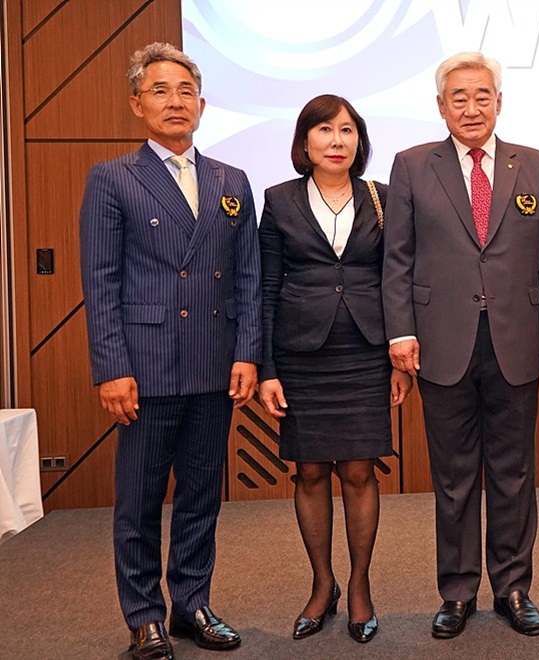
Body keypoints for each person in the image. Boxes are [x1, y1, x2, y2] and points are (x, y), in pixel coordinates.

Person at [381, 51, 539, 638]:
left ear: (499, 102)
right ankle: (458, 591)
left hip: (517, 342)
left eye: (482, 96)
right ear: (441, 106)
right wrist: (400, 331)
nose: (471, 107)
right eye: (458, 98)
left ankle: (514, 587)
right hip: (440, 344)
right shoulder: (413, 166)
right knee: (454, 476)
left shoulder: (535, 165)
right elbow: (397, 258)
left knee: (515, 474)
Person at [79, 43, 260, 660]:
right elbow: (99, 282)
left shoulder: (231, 181)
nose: (174, 101)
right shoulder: (111, 179)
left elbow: (247, 278)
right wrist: (112, 368)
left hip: (214, 364)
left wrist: (247, 353)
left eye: (185, 91)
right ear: (136, 104)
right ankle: (144, 617)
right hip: (145, 367)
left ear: (203, 104)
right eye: (159, 90)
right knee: (138, 502)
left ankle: (192, 603)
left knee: (202, 495)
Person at [258, 94, 412, 645]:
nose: (337, 140)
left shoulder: (384, 199)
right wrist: (267, 367)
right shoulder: (278, 201)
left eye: (347, 130)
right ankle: (322, 586)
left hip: (367, 353)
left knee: (359, 471)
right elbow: (267, 288)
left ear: (359, 141)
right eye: (324, 130)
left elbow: (398, 280)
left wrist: (400, 359)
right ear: (305, 143)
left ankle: (361, 585)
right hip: (301, 355)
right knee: (310, 472)